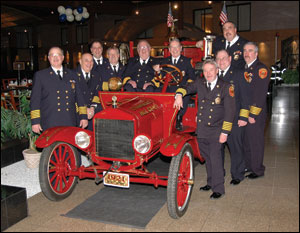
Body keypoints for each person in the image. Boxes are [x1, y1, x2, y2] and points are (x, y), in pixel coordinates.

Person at [174, 59, 235, 199]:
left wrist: (225, 132)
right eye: (205, 71)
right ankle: (210, 182)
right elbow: (186, 88)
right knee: (208, 158)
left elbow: (230, 112)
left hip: (217, 130)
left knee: (215, 159)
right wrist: (178, 95)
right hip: (202, 130)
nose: (208, 73)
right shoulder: (200, 83)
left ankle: (218, 188)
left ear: (217, 71)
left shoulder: (226, 87)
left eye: (211, 70)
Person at [30, 46, 88, 134]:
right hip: (50, 120)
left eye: (58, 55)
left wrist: (83, 116)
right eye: (52, 55)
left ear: (63, 58)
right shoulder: (40, 76)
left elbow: (79, 97)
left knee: (70, 146)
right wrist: (35, 122)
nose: (55, 58)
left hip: (69, 120)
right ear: (49, 58)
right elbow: (35, 100)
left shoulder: (72, 74)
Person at [215, 49, 250, 185]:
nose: (221, 61)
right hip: (218, 119)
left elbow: (246, 98)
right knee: (218, 149)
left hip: (235, 119)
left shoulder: (239, 74)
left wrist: (243, 117)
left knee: (235, 148)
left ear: (230, 59)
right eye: (218, 58)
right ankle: (219, 173)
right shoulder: (213, 75)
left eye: (224, 58)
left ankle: (237, 174)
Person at [153, 38, 196, 131]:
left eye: (177, 47)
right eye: (172, 47)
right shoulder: (164, 61)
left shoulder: (187, 61)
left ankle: (179, 118)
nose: (175, 50)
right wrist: (158, 71)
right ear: (169, 49)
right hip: (168, 87)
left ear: (181, 48)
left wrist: (185, 87)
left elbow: (192, 77)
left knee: (184, 95)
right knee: (156, 93)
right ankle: (159, 118)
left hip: (182, 87)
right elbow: (161, 78)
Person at [243, 42, 271, 179]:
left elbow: (260, 94)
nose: (246, 53)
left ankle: (258, 170)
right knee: (247, 141)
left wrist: (252, 114)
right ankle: (249, 165)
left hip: (256, 113)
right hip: (245, 112)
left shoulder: (260, 69)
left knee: (255, 142)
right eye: (245, 51)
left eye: (250, 51)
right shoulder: (245, 68)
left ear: (256, 53)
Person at [75, 53, 102, 131]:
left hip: (93, 113)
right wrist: (84, 110)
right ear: (80, 61)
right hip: (78, 115)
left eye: (91, 61)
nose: (89, 63)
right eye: (86, 61)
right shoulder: (73, 75)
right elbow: (72, 97)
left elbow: (97, 93)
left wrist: (93, 108)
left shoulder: (96, 75)